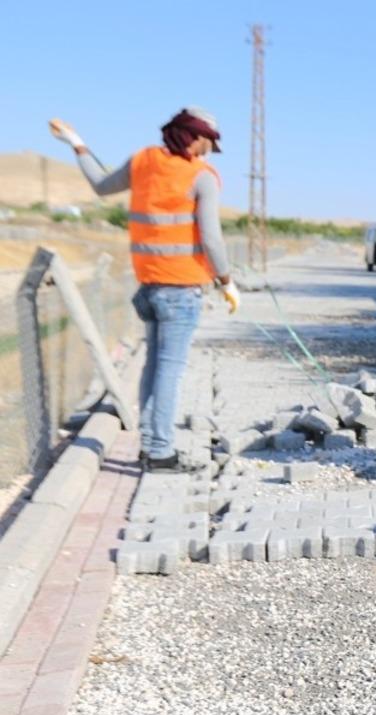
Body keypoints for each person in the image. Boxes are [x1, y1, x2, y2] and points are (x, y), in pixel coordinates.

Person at [48, 108, 239, 474]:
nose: (211, 150)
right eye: (209, 142)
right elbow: (212, 239)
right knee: (168, 371)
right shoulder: (202, 176)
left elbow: (101, 186)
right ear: (195, 137)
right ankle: (160, 451)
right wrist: (227, 281)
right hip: (181, 291)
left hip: (149, 287)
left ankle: (152, 446)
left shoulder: (143, 161)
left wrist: (77, 145)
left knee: (153, 367)